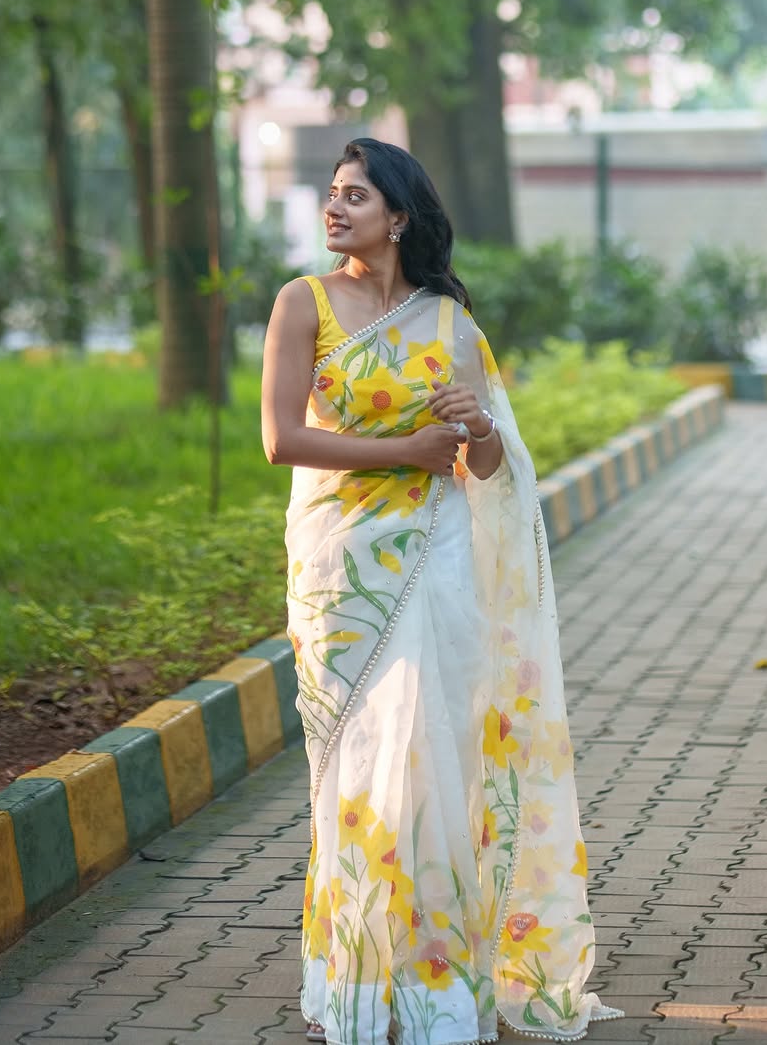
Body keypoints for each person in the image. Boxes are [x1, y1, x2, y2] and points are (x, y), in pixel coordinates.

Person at [261, 138, 622, 1045]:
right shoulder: (301, 303)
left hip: (438, 556)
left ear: (400, 216)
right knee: (357, 770)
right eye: (332, 194)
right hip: (343, 570)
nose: (335, 209)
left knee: (435, 763)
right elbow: (280, 440)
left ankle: (432, 987)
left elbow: (486, 463)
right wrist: (403, 452)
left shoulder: (447, 320)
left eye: (355, 195)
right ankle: (355, 974)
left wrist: (478, 428)